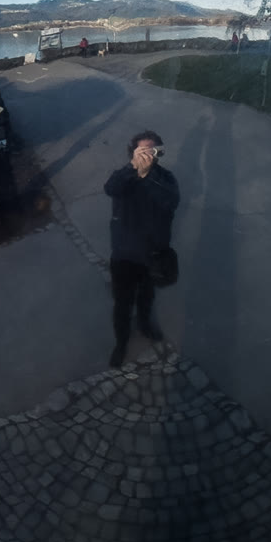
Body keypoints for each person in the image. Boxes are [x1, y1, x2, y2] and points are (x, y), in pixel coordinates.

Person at [104, 129, 180, 368]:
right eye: (143, 151)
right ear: (133, 153)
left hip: (153, 254)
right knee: (123, 303)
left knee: (147, 296)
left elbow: (171, 202)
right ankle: (121, 342)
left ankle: (145, 324)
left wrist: (147, 176)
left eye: (153, 150)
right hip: (125, 255)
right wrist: (134, 170)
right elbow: (111, 188)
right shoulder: (123, 176)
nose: (149, 156)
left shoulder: (165, 178)